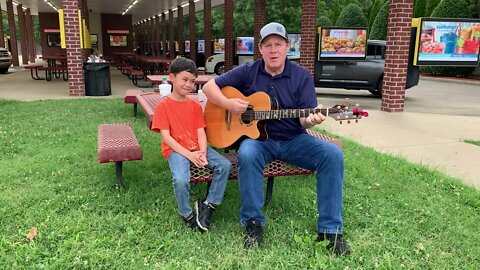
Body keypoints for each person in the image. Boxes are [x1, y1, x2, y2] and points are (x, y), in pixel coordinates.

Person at [202, 22, 350, 255]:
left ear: (287, 47)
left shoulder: (300, 76)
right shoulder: (248, 71)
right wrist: (228, 104)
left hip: (294, 139)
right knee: (247, 154)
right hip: (259, 142)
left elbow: (304, 119)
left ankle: (330, 231)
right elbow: (209, 87)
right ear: (260, 49)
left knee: (332, 155)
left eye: (278, 44)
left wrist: (312, 119)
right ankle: (253, 224)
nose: (273, 50)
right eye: (268, 45)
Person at [151, 57, 231, 232]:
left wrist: (202, 152)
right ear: (172, 78)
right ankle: (186, 213)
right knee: (180, 179)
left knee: (224, 165)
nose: (189, 85)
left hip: (196, 147)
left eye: (193, 81)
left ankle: (208, 205)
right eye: (185, 79)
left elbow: (200, 131)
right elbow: (167, 137)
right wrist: (190, 155)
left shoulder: (195, 106)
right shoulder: (163, 106)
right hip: (176, 150)